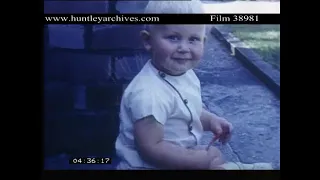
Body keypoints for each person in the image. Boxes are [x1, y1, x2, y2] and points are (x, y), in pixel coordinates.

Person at [114, 0, 273, 170]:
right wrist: (197, 160)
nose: (184, 48)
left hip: (176, 152)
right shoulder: (148, 94)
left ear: (204, 42)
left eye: (193, 39)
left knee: (214, 158)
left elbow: (185, 110)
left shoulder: (185, 75)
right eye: (173, 38)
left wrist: (211, 120)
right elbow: (151, 149)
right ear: (148, 41)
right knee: (211, 159)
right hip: (149, 166)